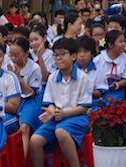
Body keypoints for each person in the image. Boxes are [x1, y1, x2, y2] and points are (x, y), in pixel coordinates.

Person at [29, 38, 92, 167]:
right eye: (56, 55)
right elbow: (49, 101)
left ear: (73, 56)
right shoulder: (52, 77)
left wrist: (65, 113)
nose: (58, 58)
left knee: (61, 132)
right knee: (35, 141)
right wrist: (51, 110)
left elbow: (84, 107)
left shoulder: (83, 78)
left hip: (76, 117)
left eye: (63, 54)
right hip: (57, 118)